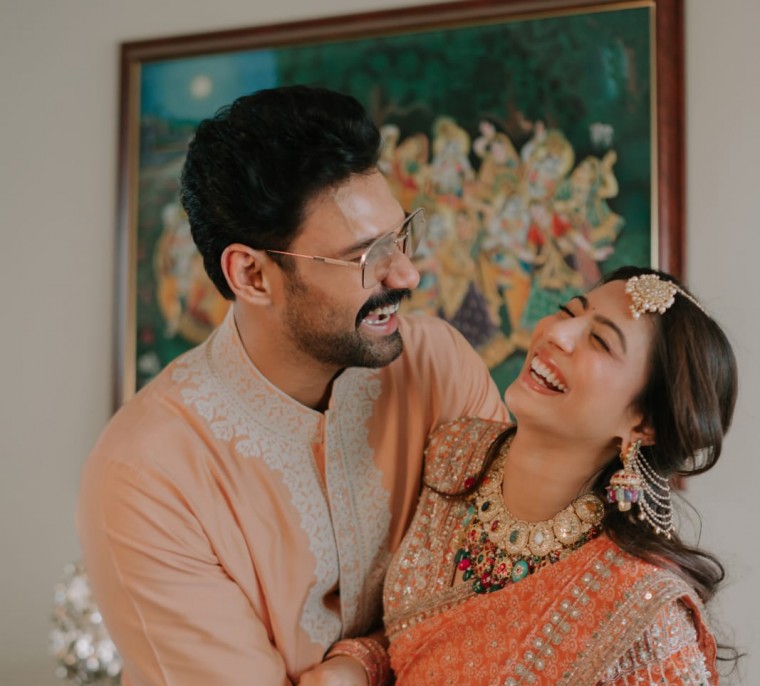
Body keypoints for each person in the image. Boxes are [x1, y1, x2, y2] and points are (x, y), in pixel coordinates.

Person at [77, 85, 509, 686]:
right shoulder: (147, 476)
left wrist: (361, 664)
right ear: (252, 275)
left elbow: (510, 588)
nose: (407, 274)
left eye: (401, 235)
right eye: (366, 256)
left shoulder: (438, 364)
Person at [384, 265, 738, 685]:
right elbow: (405, 646)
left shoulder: (644, 618)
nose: (557, 333)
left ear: (644, 424)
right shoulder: (455, 453)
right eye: (568, 311)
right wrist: (356, 663)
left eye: (601, 341)